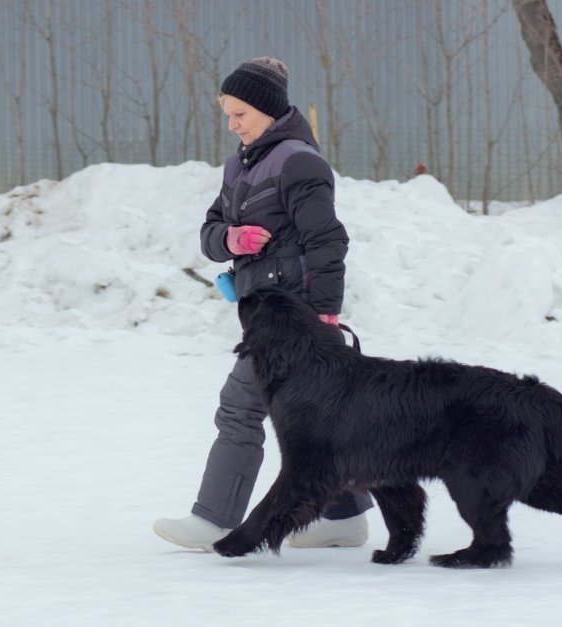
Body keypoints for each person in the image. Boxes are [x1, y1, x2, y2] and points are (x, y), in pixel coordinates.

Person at [154, 57, 373, 552]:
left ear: (268, 111)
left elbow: (327, 241)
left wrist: (324, 314)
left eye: (240, 114)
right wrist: (229, 238)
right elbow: (209, 235)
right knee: (319, 420)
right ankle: (344, 518)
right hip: (265, 314)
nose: (232, 125)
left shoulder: (299, 162)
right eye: (228, 115)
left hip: (293, 319)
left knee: (238, 410)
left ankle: (214, 520)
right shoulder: (240, 164)